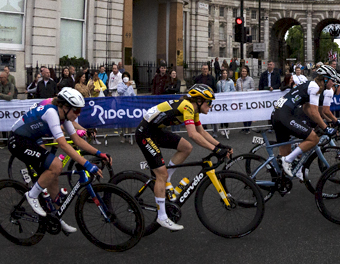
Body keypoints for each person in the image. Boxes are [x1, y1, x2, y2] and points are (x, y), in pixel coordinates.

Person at [8, 88, 110, 234]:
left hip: (32, 139)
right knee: (56, 165)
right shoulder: (51, 113)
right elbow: (63, 144)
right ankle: (32, 195)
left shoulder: (65, 117)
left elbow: (77, 141)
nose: (79, 114)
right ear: (65, 107)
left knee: (53, 175)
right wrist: (86, 164)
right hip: (18, 140)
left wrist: (100, 153)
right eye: (76, 110)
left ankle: (56, 217)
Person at [134, 85, 230, 231]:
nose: (210, 106)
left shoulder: (194, 109)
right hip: (145, 134)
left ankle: (166, 180)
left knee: (186, 148)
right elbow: (192, 134)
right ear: (199, 100)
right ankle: (162, 217)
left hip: (156, 131)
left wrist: (221, 146)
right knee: (161, 173)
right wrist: (215, 150)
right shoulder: (187, 106)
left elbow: (201, 132)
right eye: (209, 102)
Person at [270, 65, 340, 177]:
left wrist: (320, 124)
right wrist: (326, 128)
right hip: (284, 115)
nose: (333, 84)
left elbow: (306, 109)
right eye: (332, 81)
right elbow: (314, 112)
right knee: (314, 139)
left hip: (277, 114)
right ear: (325, 79)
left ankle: (279, 177)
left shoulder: (310, 85)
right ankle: (287, 161)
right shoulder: (315, 87)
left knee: (285, 153)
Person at [236, 66, 255, 132]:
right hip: (241, 99)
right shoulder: (238, 80)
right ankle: (245, 126)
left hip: (248, 98)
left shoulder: (250, 79)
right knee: (243, 113)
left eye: (245, 71)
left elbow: (253, 88)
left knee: (248, 112)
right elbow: (237, 89)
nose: (243, 72)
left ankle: (248, 127)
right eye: (242, 71)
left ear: (247, 72)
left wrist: (246, 91)